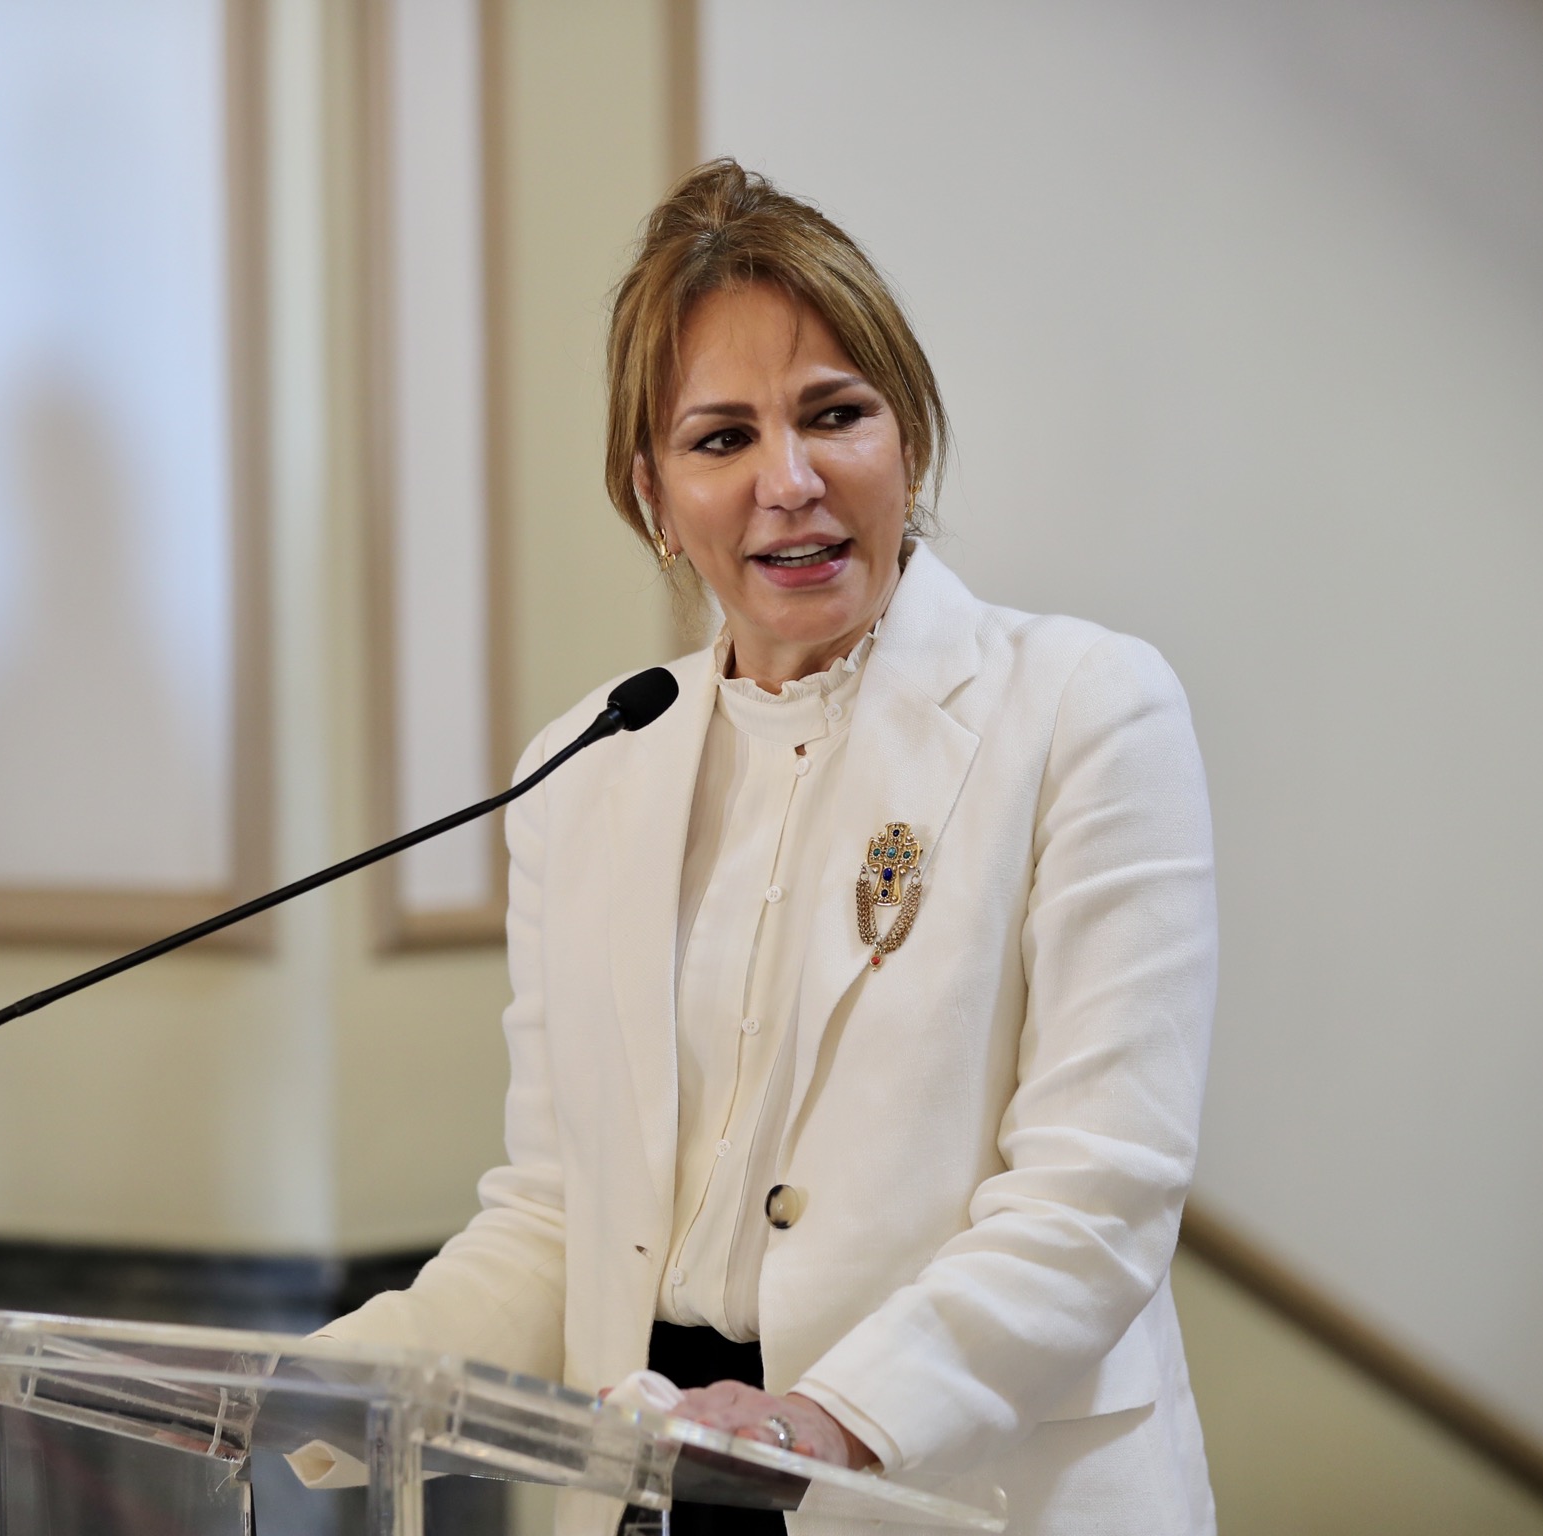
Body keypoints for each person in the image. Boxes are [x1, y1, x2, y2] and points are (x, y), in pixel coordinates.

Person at [319, 159, 1218, 1535]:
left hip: (952, 1481)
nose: (788, 483)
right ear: (652, 492)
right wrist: (311, 1392)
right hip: (658, 1479)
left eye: (835, 415)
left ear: (908, 437)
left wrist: (824, 1421)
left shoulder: (1086, 711)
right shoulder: (585, 769)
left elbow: (1096, 1199)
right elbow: (558, 1216)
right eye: (721, 438)